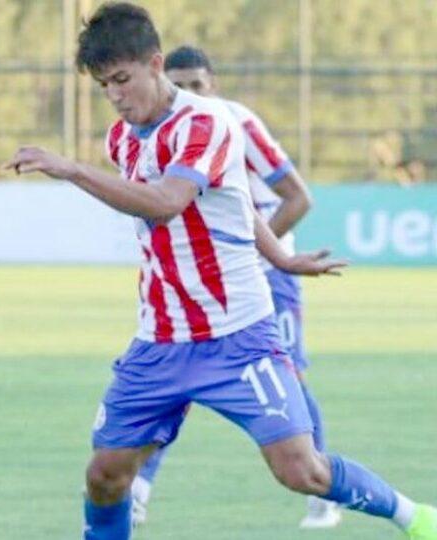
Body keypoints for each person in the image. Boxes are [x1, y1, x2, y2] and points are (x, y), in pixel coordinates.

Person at [3, 3, 436, 539]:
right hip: (159, 340)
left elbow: (166, 202)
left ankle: (413, 517)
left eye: (122, 79)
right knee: (106, 476)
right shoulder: (120, 139)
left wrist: (70, 169)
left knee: (302, 469)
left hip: (237, 336)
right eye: (103, 86)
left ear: (154, 63)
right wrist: (279, 255)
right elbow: (231, 201)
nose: (114, 95)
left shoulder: (206, 121)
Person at [128, 43, 341, 529]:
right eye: (178, 85)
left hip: (265, 278)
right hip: (204, 281)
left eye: (197, 84)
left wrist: (260, 258)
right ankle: (138, 488)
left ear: (214, 84)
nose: (188, 94)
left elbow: (297, 197)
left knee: (289, 380)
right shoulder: (160, 130)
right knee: (174, 371)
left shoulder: (237, 123)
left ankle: (322, 488)